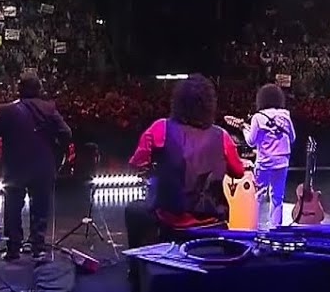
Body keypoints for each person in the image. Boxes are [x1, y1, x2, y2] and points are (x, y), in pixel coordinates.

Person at [125, 74, 247, 246]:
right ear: (210, 105)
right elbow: (239, 172)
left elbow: (135, 164)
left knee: (133, 210)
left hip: (171, 222)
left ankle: (136, 270)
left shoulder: (160, 128)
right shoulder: (222, 136)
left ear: (177, 102)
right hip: (212, 223)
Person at [0, 73, 72, 261]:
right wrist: (54, 148)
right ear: (39, 89)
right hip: (43, 166)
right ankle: (37, 247)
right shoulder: (49, 109)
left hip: (16, 167)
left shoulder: (7, 110)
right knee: (40, 207)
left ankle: (13, 248)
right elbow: (66, 132)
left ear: (19, 89)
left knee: (13, 208)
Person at [227, 83, 295, 229]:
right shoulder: (285, 115)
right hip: (282, 161)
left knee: (258, 196)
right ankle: (275, 228)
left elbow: (251, 142)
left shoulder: (258, 117)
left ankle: (254, 227)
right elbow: (292, 137)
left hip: (264, 162)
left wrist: (244, 128)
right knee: (277, 197)